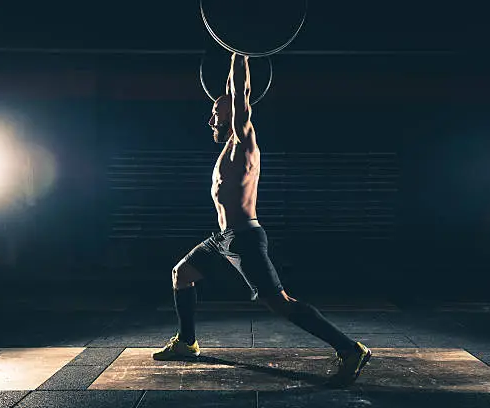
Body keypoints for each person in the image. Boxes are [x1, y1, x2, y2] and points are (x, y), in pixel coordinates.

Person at [152, 53, 371, 387]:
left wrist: (240, 49)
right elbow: (230, 88)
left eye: (216, 110)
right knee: (181, 273)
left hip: (245, 238)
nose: (211, 117)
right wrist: (229, 51)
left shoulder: (244, 141)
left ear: (235, 112)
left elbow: (239, 90)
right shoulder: (228, 149)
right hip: (222, 238)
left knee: (279, 303)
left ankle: (349, 349)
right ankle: (187, 342)